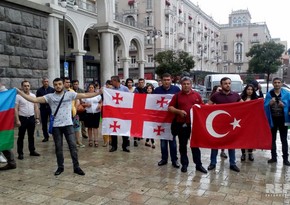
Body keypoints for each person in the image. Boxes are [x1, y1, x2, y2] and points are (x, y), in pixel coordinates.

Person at [16, 77, 102, 175]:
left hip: (68, 125)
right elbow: (34, 99)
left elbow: (85, 94)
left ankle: (76, 167)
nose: (58, 86)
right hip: (56, 126)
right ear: (53, 86)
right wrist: (19, 92)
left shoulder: (70, 94)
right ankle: (60, 167)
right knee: (58, 147)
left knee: (73, 147)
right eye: (56, 84)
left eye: (60, 84)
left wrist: (99, 92)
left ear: (63, 84)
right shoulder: (49, 96)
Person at [168, 76, 207, 173]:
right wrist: (178, 111)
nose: (186, 86)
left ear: (191, 84)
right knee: (182, 145)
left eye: (188, 84)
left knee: (195, 145)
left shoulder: (197, 95)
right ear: (181, 85)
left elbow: (202, 107)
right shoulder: (177, 96)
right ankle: (184, 164)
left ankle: (198, 165)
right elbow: (170, 108)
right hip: (182, 124)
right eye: (184, 84)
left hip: (194, 125)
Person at [207, 77, 243, 172]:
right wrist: (198, 107)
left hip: (232, 124)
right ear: (221, 85)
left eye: (229, 83)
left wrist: (255, 104)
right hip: (218, 124)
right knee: (215, 144)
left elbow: (244, 106)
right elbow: (207, 106)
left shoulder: (235, 95)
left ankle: (232, 163)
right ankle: (213, 163)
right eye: (225, 83)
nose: (228, 85)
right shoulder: (216, 96)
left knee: (231, 144)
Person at [154, 73, 180, 168]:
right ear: (161, 80)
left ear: (171, 80)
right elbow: (152, 103)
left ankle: (174, 160)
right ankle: (164, 159)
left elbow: (179, 102)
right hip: (161, 120)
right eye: (164, 79)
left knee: (172, 141)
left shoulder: (176, 90)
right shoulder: (157, 90)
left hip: (173, 119)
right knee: (163, 142)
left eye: (168, 79)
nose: (166, 81)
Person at [264, 77, 290, 166]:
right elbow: (265, 106)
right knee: (272, 139)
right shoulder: (269, 94)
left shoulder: (287, 94)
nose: (277, 84)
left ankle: (286, 159)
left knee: (284, 139)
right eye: (275, 82)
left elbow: (289, 106)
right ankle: (273, 157)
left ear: (282, 84)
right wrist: (269, 103)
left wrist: (284, 106)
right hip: (272, 119)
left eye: (279, 82)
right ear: (273, 83)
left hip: (283, 119)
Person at [15, 80, 40, 160]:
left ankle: (32, 151)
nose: (26, 87)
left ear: (30, 86)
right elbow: (15, 109)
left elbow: (36, 107)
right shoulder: (18, 96)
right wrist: (17, 120)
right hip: (22, 118)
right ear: (22, 87)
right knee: (21, 136)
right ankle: (20, 153)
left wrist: (37, 118)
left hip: (31, 118)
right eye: (25, 86)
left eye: (28, 86)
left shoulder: (33, 95)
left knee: (31, 136)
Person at [109, 76, 130, 152]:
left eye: (112, 81)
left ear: (116, 81)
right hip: (114, 112)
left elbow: (129, 99)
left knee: (124, 129)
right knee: (114, 128)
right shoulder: (111, 90)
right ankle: (114, 146)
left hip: (123, 112)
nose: (111, 83)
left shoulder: (125, 89)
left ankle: (125, 146)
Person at [0, 81, 16, 171]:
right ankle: (11, 162)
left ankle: (11, 162)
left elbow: (5, 96)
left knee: (3, 140)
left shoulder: (4, 92)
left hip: (2, 120)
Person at [64, 78, 84, 148]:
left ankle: (78, 141)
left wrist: (75, 109)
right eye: (66, 82)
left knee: (76, 128)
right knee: (68, 130)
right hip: (65, 114)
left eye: (69, 82)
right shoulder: (60, 92)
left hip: (74, 113)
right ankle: (71, 143)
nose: (68, 83)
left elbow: (77, 101)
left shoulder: (72, 91)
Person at [240, 84, 258, 161]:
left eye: (251, 89)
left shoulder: (256, 99)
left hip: (252, 121)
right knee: (242, 137)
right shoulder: (241, 98)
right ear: (245, 90)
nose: (250, 91)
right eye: (248, 89)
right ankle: (243, 153)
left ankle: (250, 153)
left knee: (251, 137)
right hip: (243, 121)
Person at [210, 85, 228, 159]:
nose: (220, 91)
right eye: (218, 90)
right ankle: (213, 161)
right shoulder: (213, 98)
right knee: (215, 141)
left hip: (224, 121)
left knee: (224, 138)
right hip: (215, 122)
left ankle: (223, 151)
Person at [36, 77, 54, 142]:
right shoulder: (39, 90)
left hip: (51, 108)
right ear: (42, 82)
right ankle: (46, 136)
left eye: (47, 81)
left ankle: (54, 135)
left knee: (52, 122)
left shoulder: (52, 90)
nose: (46, 83)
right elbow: (37, 99)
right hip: (43, 108)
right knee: (44, 123)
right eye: (44, 81)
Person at [133, 78, 147, 147]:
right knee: (136, 125)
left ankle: (140, 135)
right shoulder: (136, 90)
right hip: (137, 110)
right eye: (140, 82)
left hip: (144, 110)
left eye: (142, 82)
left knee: (142, 124)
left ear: (144, 83)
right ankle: (135, 140)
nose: (141, 83)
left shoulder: (146, 90)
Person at [144, 84, 156, 149]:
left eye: (150, 88)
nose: (149, 89)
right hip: (146, 114)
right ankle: (151, 142)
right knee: (148, 128)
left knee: (151, 128)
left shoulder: (154, 97)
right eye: (148, 88)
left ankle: (149, 141)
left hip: (152, 115)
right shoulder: (144, 96)